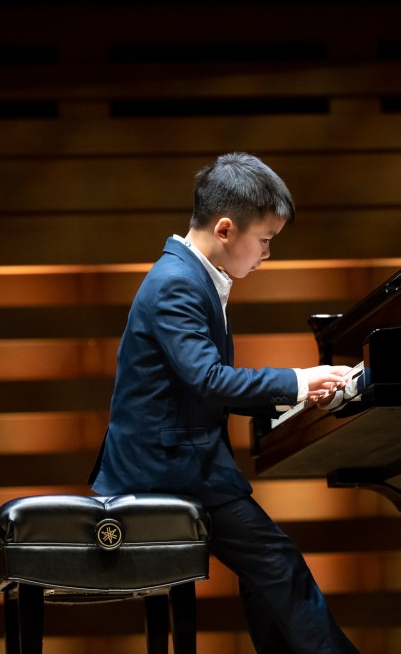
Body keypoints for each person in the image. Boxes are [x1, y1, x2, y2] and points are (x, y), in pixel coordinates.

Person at [88, 152, 360, 653]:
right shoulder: (176, 284)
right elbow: (209, 381)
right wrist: (299, 382)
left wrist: (294, 399)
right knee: (280, 568)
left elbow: (196, 390)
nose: (267, 255)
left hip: (177, 460)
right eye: (266, 241)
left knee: (269, 573)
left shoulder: (189, 274)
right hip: (162, 469)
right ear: (227, 228)